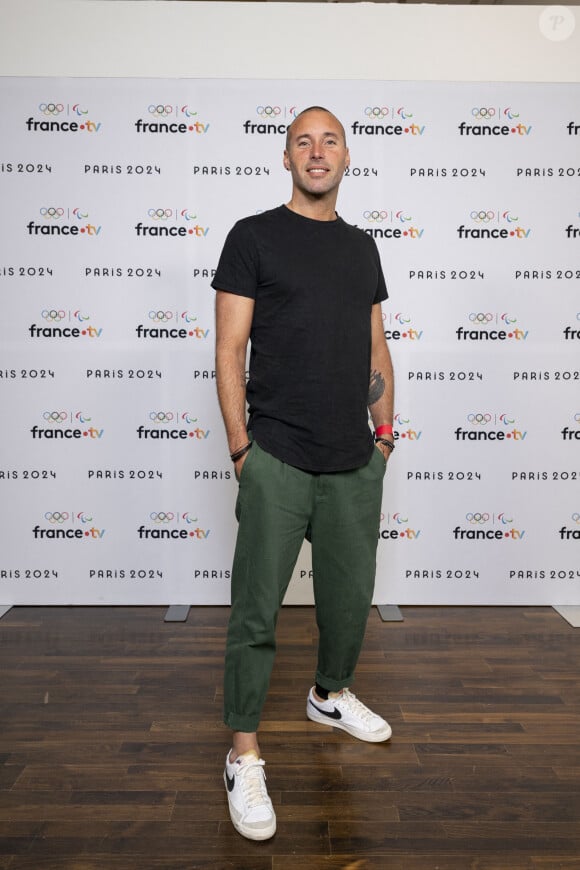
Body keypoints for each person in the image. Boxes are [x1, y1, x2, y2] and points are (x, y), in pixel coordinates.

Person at [212, 106, 395, 842]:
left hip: (355, 456)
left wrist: (385, 437)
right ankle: (243, 752)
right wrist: (240, 451)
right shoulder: (253, 237)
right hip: (278, 455)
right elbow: (230, 351)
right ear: (286, 158)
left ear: (347, 156)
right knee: (256, 614)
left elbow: (376, 349)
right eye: (303, 141)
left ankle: (330, 693)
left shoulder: (362, 247)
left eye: (330, 140)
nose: (317, 152)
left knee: (349, 604)